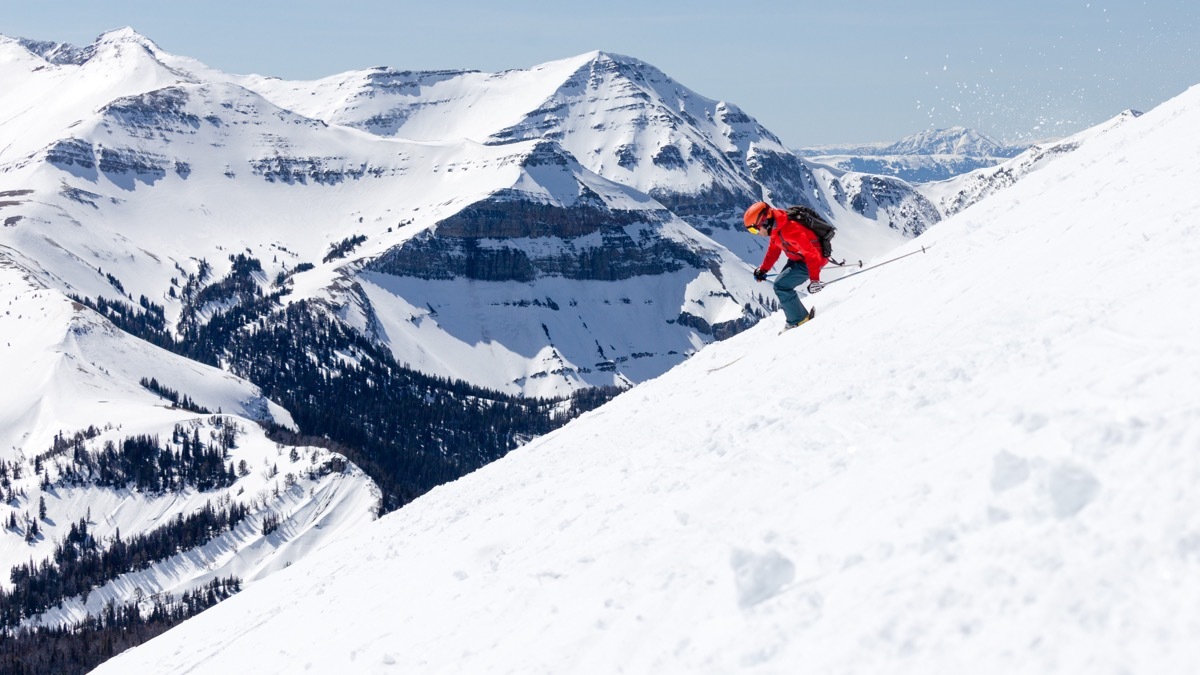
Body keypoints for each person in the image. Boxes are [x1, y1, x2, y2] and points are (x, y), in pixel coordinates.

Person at [742, 201, 829, 329]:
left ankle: (799, 320)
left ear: (764, 221)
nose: (757, 233)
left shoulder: (790, 230)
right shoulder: (776, 228)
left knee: (781, 286)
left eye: (755, 229)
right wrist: (763, 270)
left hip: (811, 260)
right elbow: (773, 250)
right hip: (797, 258)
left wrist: (815, 280)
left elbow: (812, 255)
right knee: (781, 284)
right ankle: (797, 317)